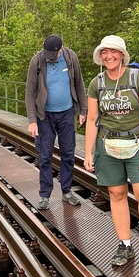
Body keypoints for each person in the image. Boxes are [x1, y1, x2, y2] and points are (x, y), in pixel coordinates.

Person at [83, 35, 139, 266]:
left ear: (122, 54)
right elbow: (92, 119)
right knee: (116, 195)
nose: (109, 56)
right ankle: (125, 245)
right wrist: (87, 153)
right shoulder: (97, 83)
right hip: (108, 146)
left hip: (137, 146)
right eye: (104, 52)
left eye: (113, 52)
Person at [25, 34, 87, 210]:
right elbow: (29, 92)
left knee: (68, 154)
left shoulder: (70, 57)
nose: (49, 59)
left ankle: (67, 191)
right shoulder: (36, 61)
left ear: (60, 50)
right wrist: (32, 120)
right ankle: (44, 195)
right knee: (45, 156)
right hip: (45, 116)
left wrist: (83, 110)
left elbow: (79, 84)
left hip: (67, 113)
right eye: (47, 55)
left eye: (53, 56)